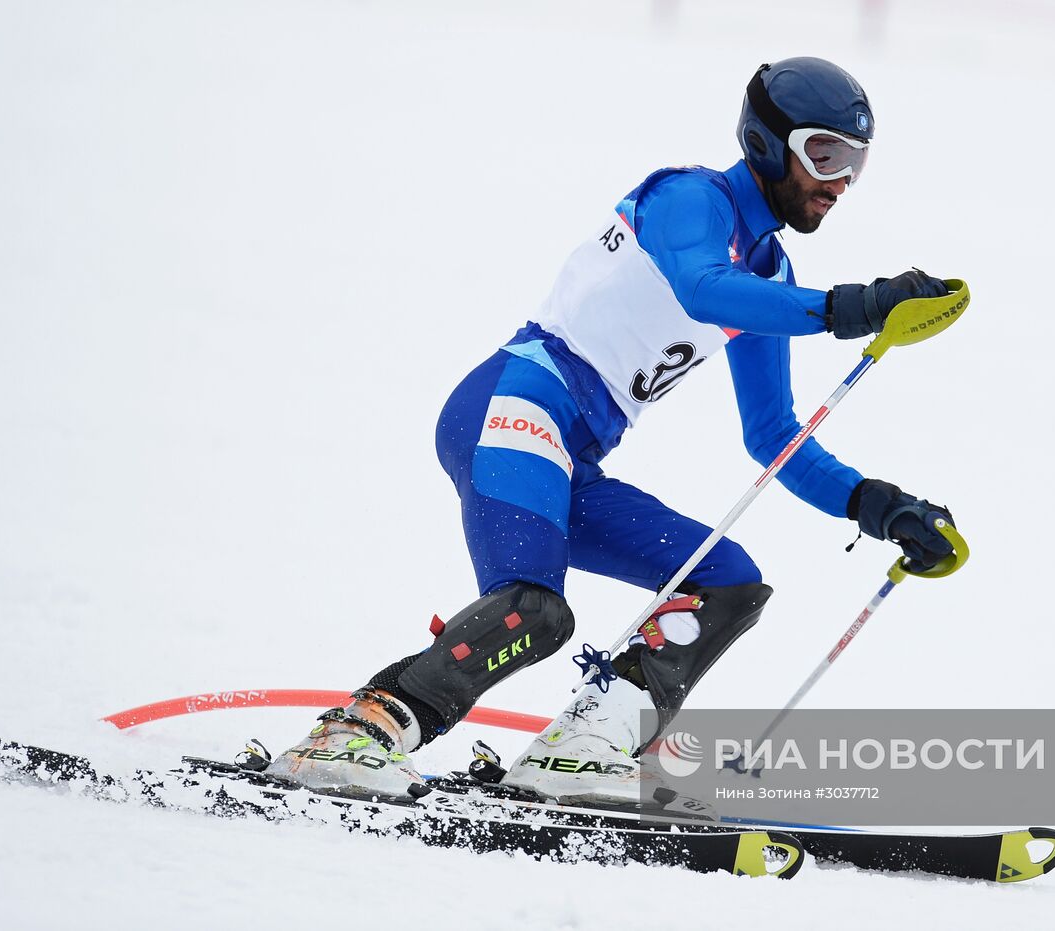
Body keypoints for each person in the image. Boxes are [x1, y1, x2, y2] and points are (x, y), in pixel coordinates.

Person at [265, 57, 956, 807]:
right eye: (824, 154)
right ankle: (357, 731)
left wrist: (880, 506)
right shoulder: (691, 198)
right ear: (766, 142)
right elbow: (700, 286)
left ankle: (582, 747)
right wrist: (849, 308)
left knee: (725, 577)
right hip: (514, 405)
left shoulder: (770, 276)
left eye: (855, 163)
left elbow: (774, 435)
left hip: (571, 455)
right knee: (533, 611)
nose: (839, 181)